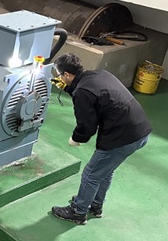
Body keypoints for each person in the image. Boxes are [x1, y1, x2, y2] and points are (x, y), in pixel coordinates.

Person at [51, 53, 152, 225]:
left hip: (123, 136)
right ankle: (95, 205)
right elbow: (95, 96)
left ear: (67, 74)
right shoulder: (99, 74)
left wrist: (76, 138)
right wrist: (70, 89)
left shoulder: (82, 91)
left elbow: (87, 125)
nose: (59, 77)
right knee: (105, 171)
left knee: (91, 174)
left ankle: (78, 212)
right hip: (140, 130)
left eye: (59, 74)